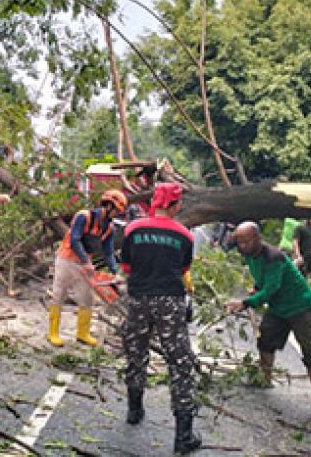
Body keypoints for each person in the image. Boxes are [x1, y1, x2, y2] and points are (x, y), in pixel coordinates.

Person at [119, 182, 201, 454]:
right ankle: (183, 436)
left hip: (138, 298)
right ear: (175, 205)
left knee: (136, 351)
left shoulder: (133, 229)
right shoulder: (185, 236)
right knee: (179, 361)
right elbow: (183, 268)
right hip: (170, 300)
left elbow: (127, 265)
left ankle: (134, 409)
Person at [226, 221, 311, 418]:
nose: (243, 246)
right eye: (240, 242)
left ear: (258, 238)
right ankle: (265, 379)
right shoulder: (247, 253)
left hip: (300, 306)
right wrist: (256, 288)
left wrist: (245, 302)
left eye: (246, 241)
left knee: (310, 351)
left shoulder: (274, 257)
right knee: (265, 342)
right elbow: (262, 278)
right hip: (278, 308)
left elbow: (272, 288)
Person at [47, 189, 127, 348]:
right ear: (109, 205)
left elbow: (108, 251)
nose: (117, 214)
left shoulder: (109, 228)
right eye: (116, 210)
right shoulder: (84, 216)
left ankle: (82, 333)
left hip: (84, 264)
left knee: (86, 299)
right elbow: (76, 240)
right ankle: (53, 333)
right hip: (66, 259)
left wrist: (114, 272)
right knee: (59, 294)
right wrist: (85, 261)